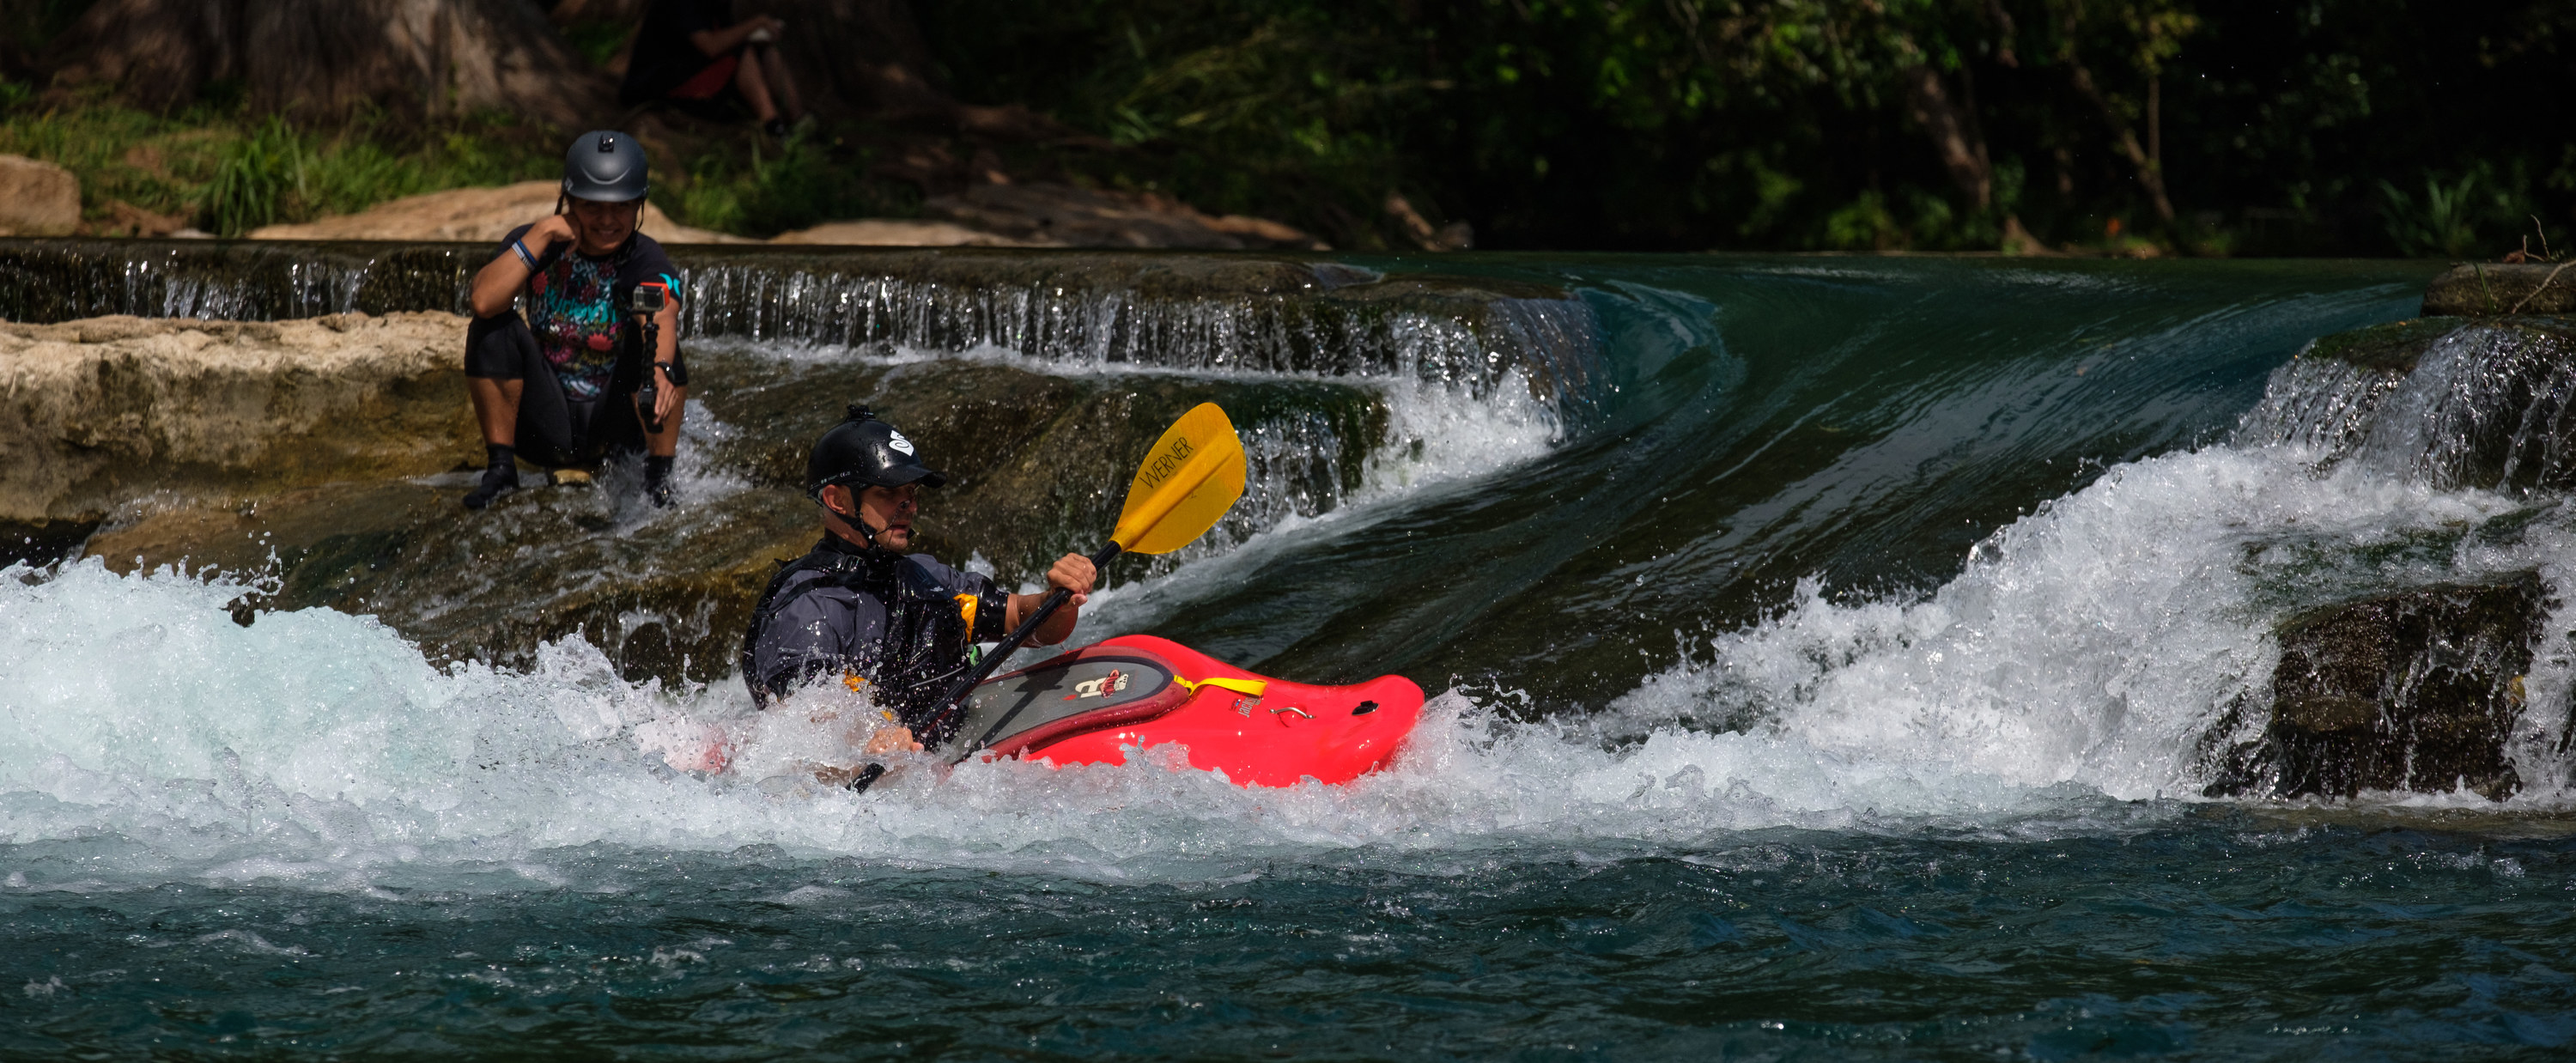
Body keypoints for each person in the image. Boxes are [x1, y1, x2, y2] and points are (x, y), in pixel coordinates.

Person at [741, 407, 1099, 756]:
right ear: (837, 500)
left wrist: (1059, 600)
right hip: (862, 797)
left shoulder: (927, 580)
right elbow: (803, 737)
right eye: (888, 493)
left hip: (938, 764)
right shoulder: (809, 608)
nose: (909, 505)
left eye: (912, 493)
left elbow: (1028, 623)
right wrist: (868, 747)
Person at [462, 130, 689, 510]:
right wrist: (543, 231)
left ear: (638, 206)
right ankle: (500, 471)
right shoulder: (536, 242)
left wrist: (661, 367)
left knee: (651, 341)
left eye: (620, 207)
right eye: (591, 206)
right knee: (492, 326)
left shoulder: (643, 256)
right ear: (568, 201)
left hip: (615, 431)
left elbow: (662, 311)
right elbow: (484, 300)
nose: (607, 219)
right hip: (544, 429)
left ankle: (658, 477)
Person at [619, 0, 805, 139]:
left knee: (767, 52)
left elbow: (727, 37)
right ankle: (773, 126)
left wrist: (759, 37)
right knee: (743, 51)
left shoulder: (717, 4)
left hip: (702, 80)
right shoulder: (679, 3)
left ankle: (801, 123)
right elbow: (711, 46)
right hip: (658, 88)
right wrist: (756, 23)